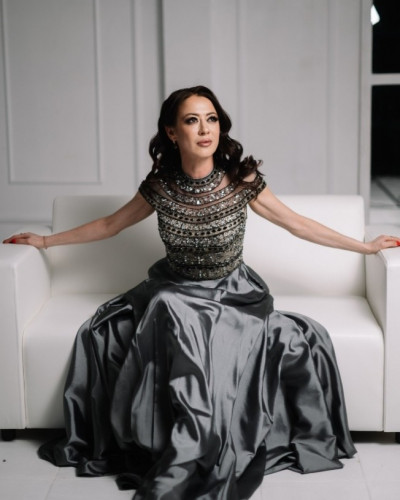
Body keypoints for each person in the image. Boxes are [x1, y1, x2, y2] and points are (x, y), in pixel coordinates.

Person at [3, 85, 400, 499]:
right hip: (173, 289)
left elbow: (297, 224)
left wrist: (365, 246)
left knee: (184, 311)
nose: (205, 129)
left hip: (232, 294)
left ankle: (197, 446)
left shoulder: (242, 180)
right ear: (172, 132)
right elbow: (109, 225)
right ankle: (184, 442)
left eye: (211, 119)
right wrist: (44, 242)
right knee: (151, 310)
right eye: (192, 121)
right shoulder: (160, 186)